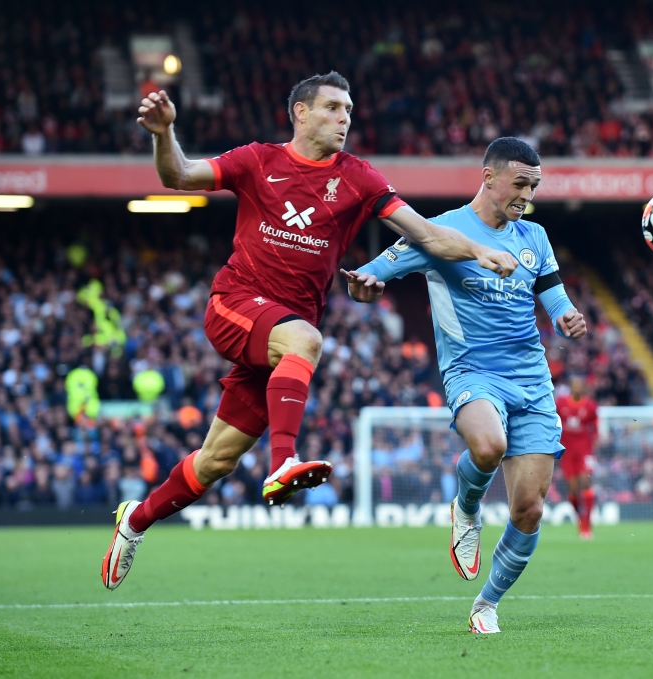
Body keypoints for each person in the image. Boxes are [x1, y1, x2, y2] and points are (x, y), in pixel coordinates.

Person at [102, 71, 519, 591]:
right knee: (307, 340)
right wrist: (163, 134)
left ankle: (134, 521)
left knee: (216, 461)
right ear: (301, 113)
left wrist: (478, 249)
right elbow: (179, 176)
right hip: (236, 305)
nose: (344, 119)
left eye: (348, 110)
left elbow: (427, 233)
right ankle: (284, 463)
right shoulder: (257, 160)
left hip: (278, 339)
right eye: (332, 108)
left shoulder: (360, 178)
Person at [346, 137, 587, 634]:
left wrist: (567, 317)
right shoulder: (440, 233)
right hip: (472, 370)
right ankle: (467, 507)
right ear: (489, 177)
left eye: (534, 186)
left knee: (530, 507)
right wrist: (363, 286)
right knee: (489, 445)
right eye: (520, 184)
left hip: (532, 379)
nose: (527, 195)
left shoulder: (534, 236)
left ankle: (486, 604)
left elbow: (555, 297)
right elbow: (371, 274)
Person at [556, 375, 598, 540]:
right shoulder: (561, 403)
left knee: (586, 482)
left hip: (584, 450)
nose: (577, 387)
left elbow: (595, 425)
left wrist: (596, 438)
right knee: (573, 489)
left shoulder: (590, 406)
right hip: (567, 451)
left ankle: (587, 526)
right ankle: (580, 519)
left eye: (580, 385)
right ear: (571, 387)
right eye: (575, 385)